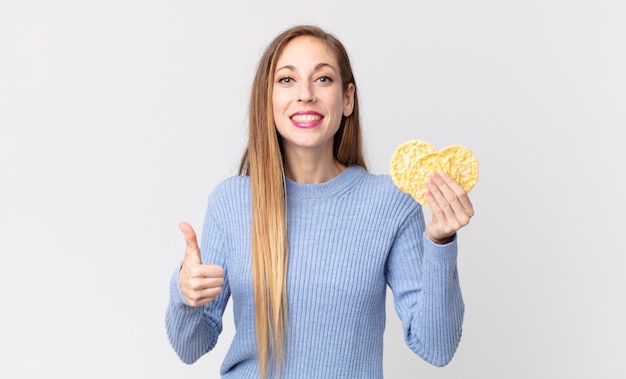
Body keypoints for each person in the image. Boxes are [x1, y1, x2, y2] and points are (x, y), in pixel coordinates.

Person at [165, 24, 474, 379]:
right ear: (268, 100)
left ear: (347, 99)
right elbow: (190, 348)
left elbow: (436, 347)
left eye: (323, 79)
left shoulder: (391, 203)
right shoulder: (231, 202)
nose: (306, 95)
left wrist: (440, 243)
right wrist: (184, 294)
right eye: (287, 80)